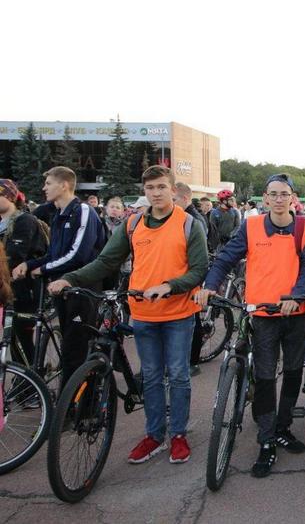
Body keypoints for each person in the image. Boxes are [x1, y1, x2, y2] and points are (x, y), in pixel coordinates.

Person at [48, 165, 208, 464]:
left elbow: (200, 269)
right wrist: (71, 279)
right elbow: (106, 261)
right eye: (150, 188)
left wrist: (170, 286)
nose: (156, 193)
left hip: (178, 314)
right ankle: (154, 434)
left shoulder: (188, 224)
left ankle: (178, 435)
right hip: (144, 313)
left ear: (173, 190)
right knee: (150, 376)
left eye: (162, 187)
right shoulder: (133, 225)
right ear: (144, 192)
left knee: (177, 375)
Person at [196, 173, 305, 478]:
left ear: (293, 198)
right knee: (264, 377)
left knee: (292, 372)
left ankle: (283, 426)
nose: (279, 199)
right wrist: (210, 285)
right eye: (273, 194)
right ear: (265, 199)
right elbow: (225, 259)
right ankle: (266, 439)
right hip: (262, 314)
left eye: (284, 194)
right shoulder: (251, 226)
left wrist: (296, 295)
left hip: (295, 311)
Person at [11, 167, 105, 389]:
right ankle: (68, 400)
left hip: (81, 287)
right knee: (69, 346)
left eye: (49, 183)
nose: (44, 188)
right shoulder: (57, 215)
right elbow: (54, 254)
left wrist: (43, 270)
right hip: (59, 287)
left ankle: (77, 407)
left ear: (64, 185)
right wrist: (29, 264)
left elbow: (78, 254)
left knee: (77, 347)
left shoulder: (82, 210)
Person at [0, 179, 48, 363]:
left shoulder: (24, 220)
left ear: (10, 197)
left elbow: (14, 255)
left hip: (25, 290)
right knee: (10, 339)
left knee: (21, 340)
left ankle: (29, 386)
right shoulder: (2, 223)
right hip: (7, 289)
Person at [174, 182, 209, 376]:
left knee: (194, 316)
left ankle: (193, 361)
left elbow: (198, 249)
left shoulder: (194, 220)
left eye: (174, 199)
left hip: (191, 274)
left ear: (185, 198)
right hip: (183, 275)